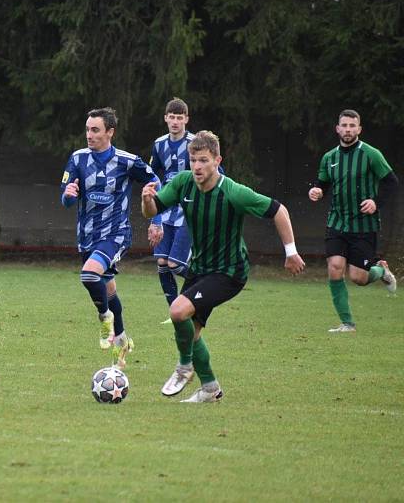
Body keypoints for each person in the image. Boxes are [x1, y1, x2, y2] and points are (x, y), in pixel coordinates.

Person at [142, 130, 305, 402]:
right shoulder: (183, 183)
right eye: (193, 160)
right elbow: (152, 211)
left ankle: (184, 367)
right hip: (201, 268)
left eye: (203, 160)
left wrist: (291, 252)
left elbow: (279, 210)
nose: (196, 166)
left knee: (178, 311)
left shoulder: (233, 192)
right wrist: (147, 200)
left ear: (217, 160)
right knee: (190, 333)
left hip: (229, 272)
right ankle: (210, 388)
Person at [60, 107, 160, 369]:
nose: (89, 135)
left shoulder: (128, 161)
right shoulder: (78, 159)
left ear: (110, 132)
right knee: (108, 289)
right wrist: (68, 195)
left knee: (89, 275)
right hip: (87, 236)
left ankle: (105, 321)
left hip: (116, 234)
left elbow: (155, 182)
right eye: (87, 130)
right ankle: (123, 340)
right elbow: (66, 198)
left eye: (95, 130)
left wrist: (156, 219)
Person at [308, 109, 398, 333]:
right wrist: (317, 190)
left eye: (352, 126)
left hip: (363, 225)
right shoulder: (329, 157)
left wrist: (376, 202)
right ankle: (347, 324)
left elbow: (391, 182)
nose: (348, 129)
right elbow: (323, 183)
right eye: (344, 125)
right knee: (335, 267)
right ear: (337, 128)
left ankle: (381, 271)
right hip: (337, 223)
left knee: (359, 277)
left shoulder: (371, 154)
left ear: (359, 129)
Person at [148, 98, 196, 322]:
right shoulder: (159, 145)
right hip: (166, 210)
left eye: (180, 117)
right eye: (172, 117)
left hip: (188, 211)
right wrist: (154, 219)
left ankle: (202, 283)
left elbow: (217, 172)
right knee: (162, 263)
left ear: (186, 119)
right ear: (166, 118)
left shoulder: (195, 143)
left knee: (175, 265)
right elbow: (152, 178)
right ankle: (175, 311)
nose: (176, 121)